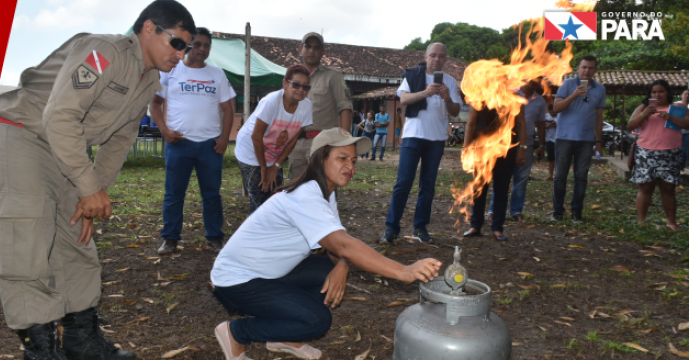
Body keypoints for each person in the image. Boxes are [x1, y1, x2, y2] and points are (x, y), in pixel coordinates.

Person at [0, 2, 195, 359]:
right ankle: (41, 350)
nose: (181, 54)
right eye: (177, 43)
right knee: (26, 241)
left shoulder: (149, 80)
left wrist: (94, 191)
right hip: (24, 136)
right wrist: (88, 185)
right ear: (148, 29)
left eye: (186, 47)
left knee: (76, 241)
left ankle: (82, 342)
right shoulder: (102, 52)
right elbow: (60, 115)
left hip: (66, 150)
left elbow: (120, 140)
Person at [210, 128, 442, 360]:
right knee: (317, 320)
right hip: (237, 281)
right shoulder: (306, 196)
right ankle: (236, 333)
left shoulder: (325, 194)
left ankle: (284, 336)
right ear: (321, 159)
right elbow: (344, 246)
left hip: (265, 272)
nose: (350, 166)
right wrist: (404, 271)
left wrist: (342, 265)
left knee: (327, 270)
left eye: (353, 160)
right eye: (342, 158)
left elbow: (337, 246)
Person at [150, 27, 236, 255]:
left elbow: (228, 109)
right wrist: (165, 131)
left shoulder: (217, 74)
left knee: (212, 194)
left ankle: (215, 237)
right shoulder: (171, 71)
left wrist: (224, 138)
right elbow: (155, 103)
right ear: (188, 46)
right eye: (197, 44)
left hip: (210, 145)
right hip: (179, 144)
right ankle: (170, 239)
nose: (202, 49)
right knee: (173, 194)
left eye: (206, 45)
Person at [380, 43, 462, 244]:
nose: (437, 59)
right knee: (403, 183)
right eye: (433, 55)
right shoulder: (413, 76)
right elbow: (404, 99)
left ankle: (420, 227)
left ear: (446, 59)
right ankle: (392, 228)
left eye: (441, 56)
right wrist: (426, 92)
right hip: (413, 137)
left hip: (436, 139)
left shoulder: (450, 82)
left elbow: (455, 111)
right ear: (426, 57)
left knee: (428, 185)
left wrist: (447, 98)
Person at [234, 64, 312, 213]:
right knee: (259, 200)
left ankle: (272, 232)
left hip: (273, 152)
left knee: (276, 196)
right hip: (250, 151)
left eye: (305, 86)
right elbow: (256, 136)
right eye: (296, 84)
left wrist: (275, 166)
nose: (301, 90)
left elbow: (293, 139)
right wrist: (263, 168)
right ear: (285, 83)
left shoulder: (306, 107)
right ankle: (255, 233)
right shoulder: (271, 102)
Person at [287, 32, 353, 182]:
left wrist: (345, 143)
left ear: (323, 52)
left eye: (316, 47)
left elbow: (345, 107)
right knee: (295, 189)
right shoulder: (292, 77)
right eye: (308, 46)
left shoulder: (333, 76)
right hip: (295, 143)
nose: (312, 50)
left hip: (322, 144)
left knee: (323, 188)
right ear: (300, 49)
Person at [627, 80, 689, 230]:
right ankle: (641, 221)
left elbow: (687, 124)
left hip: (670, 152)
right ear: (650, 94)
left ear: (667, 92)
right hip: (646, 153)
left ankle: (671, 222)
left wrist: (670, 117)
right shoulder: (644, 107)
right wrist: (644, 114)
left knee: (668, 189)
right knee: (646, 188)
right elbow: (630, 125)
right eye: (654, 92)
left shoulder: (677, 107)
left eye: (661, 91)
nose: (657, 94)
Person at [551, 55, 606, 223]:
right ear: (578, 68)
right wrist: (574, 95)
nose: (587, 71)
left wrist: (598, 142)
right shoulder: (567, 85)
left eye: (590, 68)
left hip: (586, 140)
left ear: (595, 70)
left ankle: (577, 213)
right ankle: (557, 212)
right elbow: (556, 108)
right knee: (560, 176)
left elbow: (599, 117)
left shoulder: (600, 89)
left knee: (581, 177)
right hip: (564, 138)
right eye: (584, 67)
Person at [462, 105, 527, 241]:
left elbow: (521, 123)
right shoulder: (479, 95)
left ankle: (497, 227)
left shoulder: (513, 97)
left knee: (501, 189)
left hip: (506, 149)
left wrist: (522, 148)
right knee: (479, 188)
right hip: (482, 149)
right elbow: (471, 123)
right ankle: (476, 225)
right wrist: (466, 148)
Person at [487, 79, 545, 222]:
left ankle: (516, 211)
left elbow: (541, 123)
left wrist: (542, 145)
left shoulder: (540, 101)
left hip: (527, 144)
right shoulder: (510, 94)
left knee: (521, 178)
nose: (531, 81)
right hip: (505, 144)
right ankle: (493, 210)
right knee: (501, 177)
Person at [544, 104, 558, 181]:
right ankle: (550, 175)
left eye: (554, 112)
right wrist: (548, 125)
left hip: (558, 139)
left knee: (558, 159)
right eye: (551, 112)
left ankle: (558, 175)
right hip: (549, 139)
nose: (553, 114)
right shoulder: (546, 116)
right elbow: (541, 125)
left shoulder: (559, 116)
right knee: (550, 158)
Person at [678, 89, 689, 169]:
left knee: (684, 150)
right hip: (676, 131)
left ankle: (681, 168)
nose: (687, 96)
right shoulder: (676, 105)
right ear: (681, 95)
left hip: (687, 132)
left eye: (688, 94)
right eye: (685, 94)